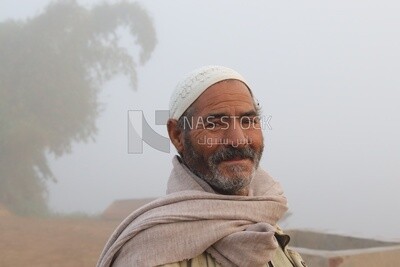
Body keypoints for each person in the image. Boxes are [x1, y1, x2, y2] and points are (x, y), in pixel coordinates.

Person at [97, 66, 306, 267]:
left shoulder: (265, 221)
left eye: (247, 121)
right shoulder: (145, 253)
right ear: (178, 136)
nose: (238, 140)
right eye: (215, 123)